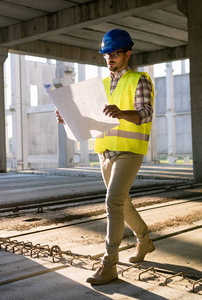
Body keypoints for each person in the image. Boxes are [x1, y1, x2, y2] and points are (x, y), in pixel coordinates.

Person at [55, 28, 155, 285]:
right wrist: (68, 118)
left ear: (127, 54)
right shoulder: (99, 85)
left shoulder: (139, 79)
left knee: (113, 202)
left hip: (129, 151)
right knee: (124, 204)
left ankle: (109, 265)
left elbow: (144, 113)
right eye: (106, 54)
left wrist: (122, 113)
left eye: (115, 53)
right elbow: (89, 119)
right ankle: (145, 242)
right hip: (106, 151)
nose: (110, 57)